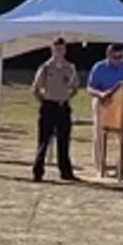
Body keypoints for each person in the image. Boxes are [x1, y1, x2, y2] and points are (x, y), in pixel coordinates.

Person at [30, 37, 80, 181]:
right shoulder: (45, 67)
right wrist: (43, 101)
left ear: (65, 50)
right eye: (56, 48)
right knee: (44, 140)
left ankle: (66, 172)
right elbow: (35, 88)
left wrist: (67, 97)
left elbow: (75, 87)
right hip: (48, 106)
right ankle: (38, 171)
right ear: (52, 49)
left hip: (63, 106)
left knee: (64, 140)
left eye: (62, 49)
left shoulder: (70, 67)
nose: (59, 51)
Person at [87, 42, 123, 176]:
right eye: (116, 57)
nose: (118, 60)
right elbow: (90, 88)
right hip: (102, 102)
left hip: (122, 104)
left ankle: (122, 167)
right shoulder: (99, 67)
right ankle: (100, 167)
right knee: (100, 135)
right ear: (108, 55)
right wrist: (100, 94)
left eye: (121, 57)